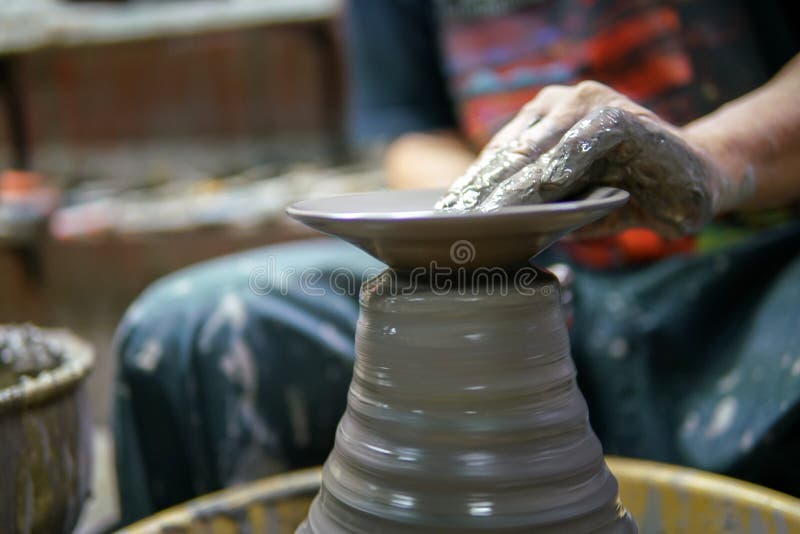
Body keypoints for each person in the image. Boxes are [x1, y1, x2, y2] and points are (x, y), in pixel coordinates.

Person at [113, 0, 800, 525]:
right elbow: (410, 132)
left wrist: (714, 157)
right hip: (526, 275)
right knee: (191, 332)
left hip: (750, 277)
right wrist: (498, 228)